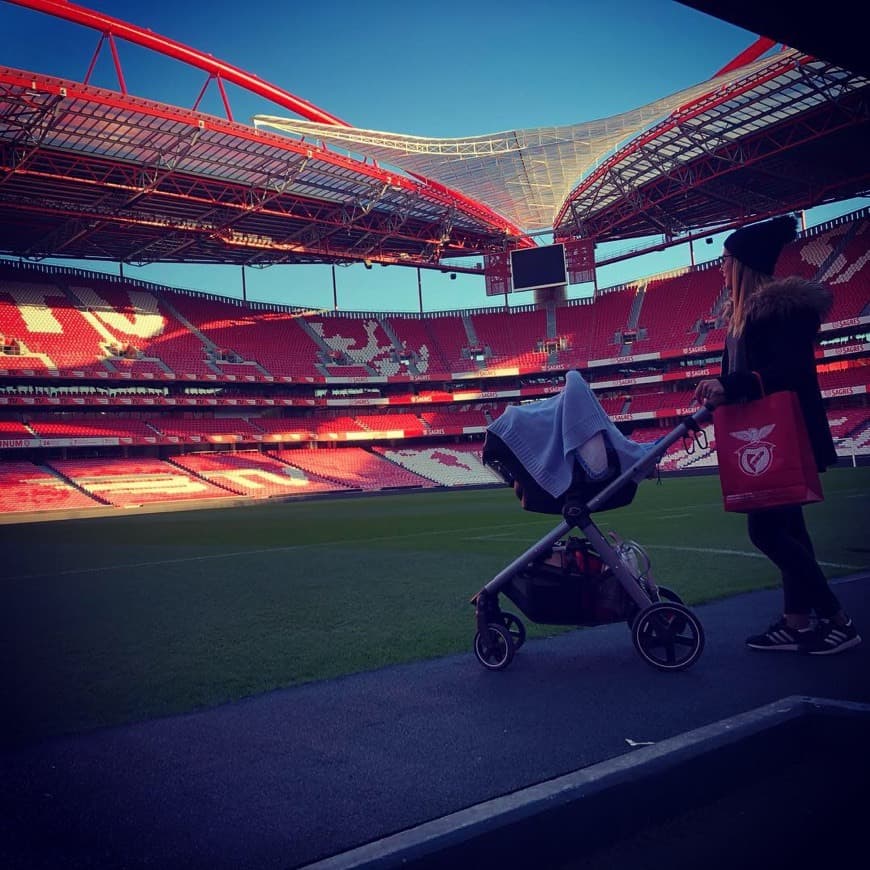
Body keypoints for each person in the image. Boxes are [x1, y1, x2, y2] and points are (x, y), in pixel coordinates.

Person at [693, 215, 861, 655]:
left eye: (725, 259)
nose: (720, 268)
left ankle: (836, 618)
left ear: (743, 264)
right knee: (791, 529)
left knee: (765, 532)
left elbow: (790, 372)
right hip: (765, 436)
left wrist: (731, 386)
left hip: (781, 435)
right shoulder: (742, 319)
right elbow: (747, 373)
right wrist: (719, 384)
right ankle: (796, 621)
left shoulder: (778, 313)